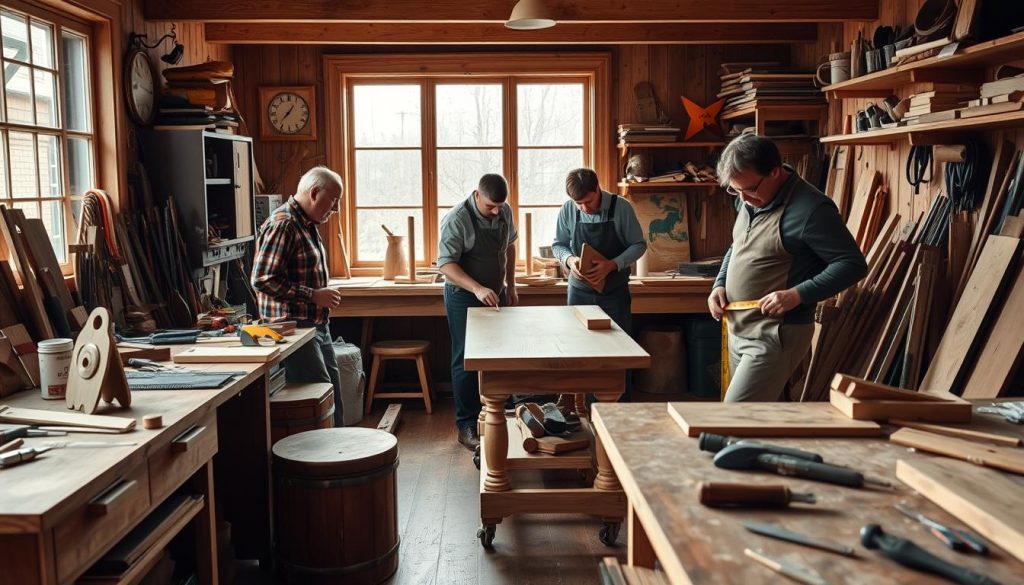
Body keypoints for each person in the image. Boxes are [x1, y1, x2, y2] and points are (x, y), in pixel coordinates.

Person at [709, 133, 867, 402]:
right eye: (735, 190)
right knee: (747, 421)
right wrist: (720, 283)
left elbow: (852, 265)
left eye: (749, 189)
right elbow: (738, 245)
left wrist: (797, 294)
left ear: (774, 171)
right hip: (738, 328)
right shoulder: (749, 197)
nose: (743, 199)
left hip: (774, 335)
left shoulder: (811, 210)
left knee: (738, 415)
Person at [252, 166, 345, 426]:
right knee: (318, 398)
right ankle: (323, 461)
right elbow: (262, 279)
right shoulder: (284, 224)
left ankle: (342, 455)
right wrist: (313, 295)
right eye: (334, 201)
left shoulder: (306, 223)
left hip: (316, 326)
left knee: (332, 393)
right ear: (314, 192)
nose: (335, 209)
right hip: (294, 328)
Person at [438, 174, 518, 450]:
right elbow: (446, 265)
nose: (497, 211)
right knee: (466, 358)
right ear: (476, 195)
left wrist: (511, 284)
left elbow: (509, 245)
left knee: (499, 353)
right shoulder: (457, 219)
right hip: (463, 295)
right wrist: (477, 288)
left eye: (500, 206)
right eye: (490, 207)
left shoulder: (503, 209)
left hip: (495, 292)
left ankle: (500, 413)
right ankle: (467, 424)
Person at [552, 168, 646, 401]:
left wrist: (612, 264)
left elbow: (639, 245)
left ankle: (618, 411)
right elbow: (558, 244)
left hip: (614, 293)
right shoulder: (568, 210)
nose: (584, 208)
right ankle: (580, 408)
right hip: (579, 293)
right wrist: (569, 259)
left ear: (598, 189)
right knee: (579, 349)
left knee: (618, 352)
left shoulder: (621, 207)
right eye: (578, 203)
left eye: (588, 201)